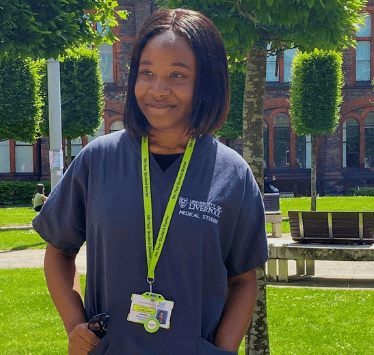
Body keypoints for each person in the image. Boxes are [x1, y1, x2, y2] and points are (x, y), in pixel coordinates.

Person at [33, 8, 268, 355]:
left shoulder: (232, 174)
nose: (158, 89)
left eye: (177, 75)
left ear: (206, 82)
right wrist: (75, 325)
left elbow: (244, 280)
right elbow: (58, 253)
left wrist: (224, 348)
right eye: (147, 73)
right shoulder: (98, 160)